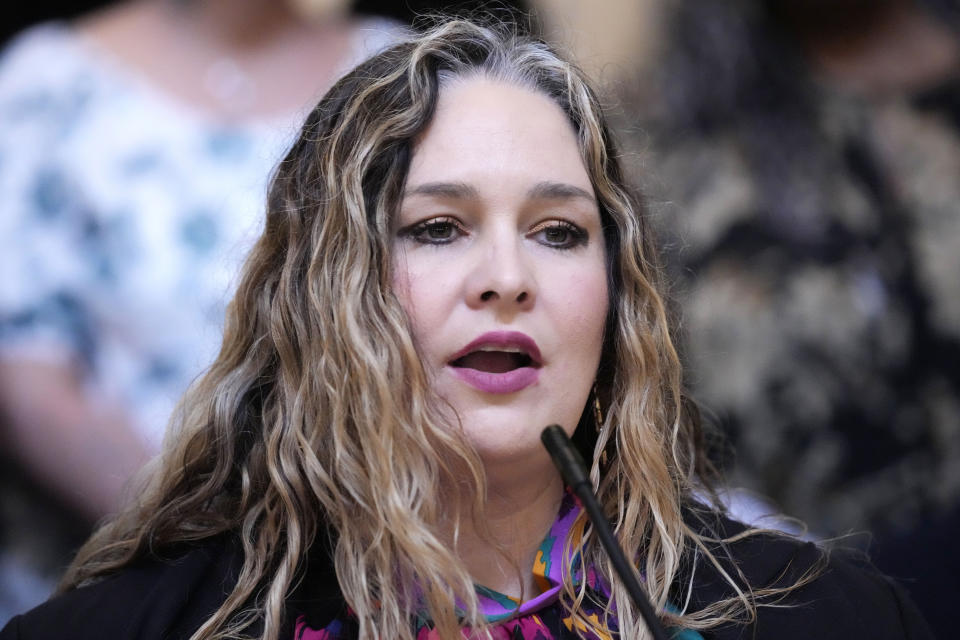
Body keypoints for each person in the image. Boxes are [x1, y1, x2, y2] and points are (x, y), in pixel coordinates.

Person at [0, 18, 933, 640]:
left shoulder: (829, 618)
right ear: (324, 289)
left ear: (620, 297)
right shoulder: (138, 628)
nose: (506, 280)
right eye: (438, 228)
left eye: (559, 232)